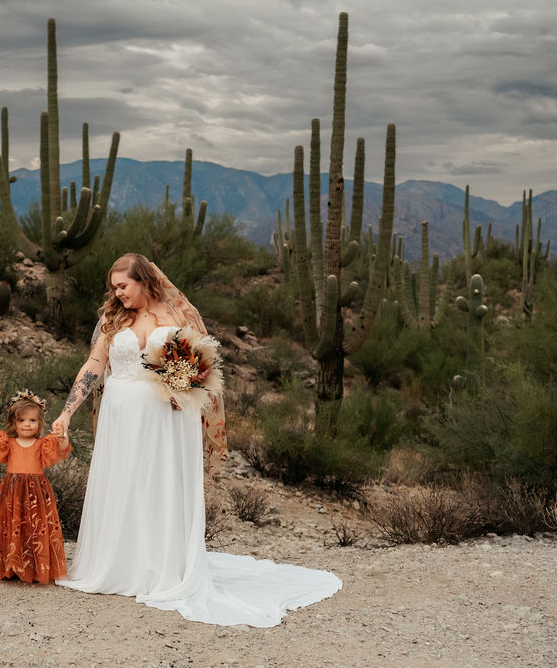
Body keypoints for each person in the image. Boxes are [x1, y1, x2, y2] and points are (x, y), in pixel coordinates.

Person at [50, 253, 341, 626]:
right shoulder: (113, 319)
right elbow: (94, 365)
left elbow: (201, 369)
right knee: (121, 484)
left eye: (123, 285)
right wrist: (67, 412)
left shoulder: (177, 317)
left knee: (158, 487)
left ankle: (160, 569)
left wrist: (184, 389)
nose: (117, 293)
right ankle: (119, 566)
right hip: (120, 415)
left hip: (167, 418)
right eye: (114, 288)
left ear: (145, 281)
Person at [0, 390, 71, 584]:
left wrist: (62, 436)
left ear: (39, 423)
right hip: (12, 494)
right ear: (14, 423)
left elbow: (62, 448)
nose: (27, 424)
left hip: (37, 494)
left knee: (36, 529)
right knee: (13, 527)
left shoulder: (43, 443)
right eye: (22, 420)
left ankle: (36, 569)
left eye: (32, 421)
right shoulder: (7, 442)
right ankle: (12, 568)